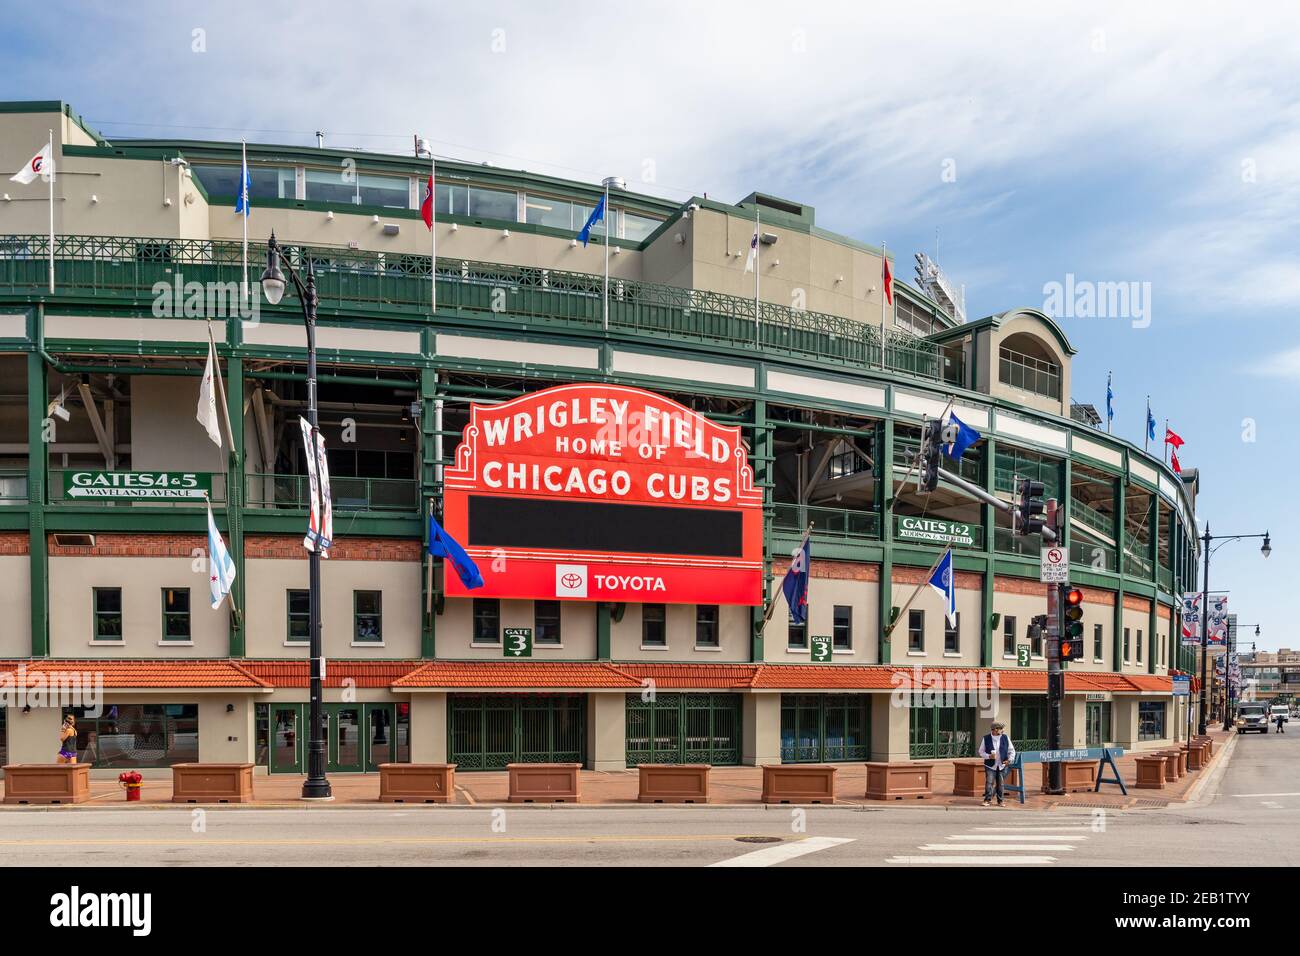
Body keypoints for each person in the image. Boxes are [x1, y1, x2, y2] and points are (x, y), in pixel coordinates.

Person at [977, 720, 1016, 807]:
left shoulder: (1005, 737)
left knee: (1000, 784)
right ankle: (987, 800)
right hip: (990, 765)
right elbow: (981, 751)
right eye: (1001, 729)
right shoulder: (986, 738)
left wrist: (1009, 760)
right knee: (989, 782)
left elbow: (1012, 751)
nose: (1002, 730)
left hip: (1002, 765)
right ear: (994, 730)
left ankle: (1000, 801)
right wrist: (988, 756)